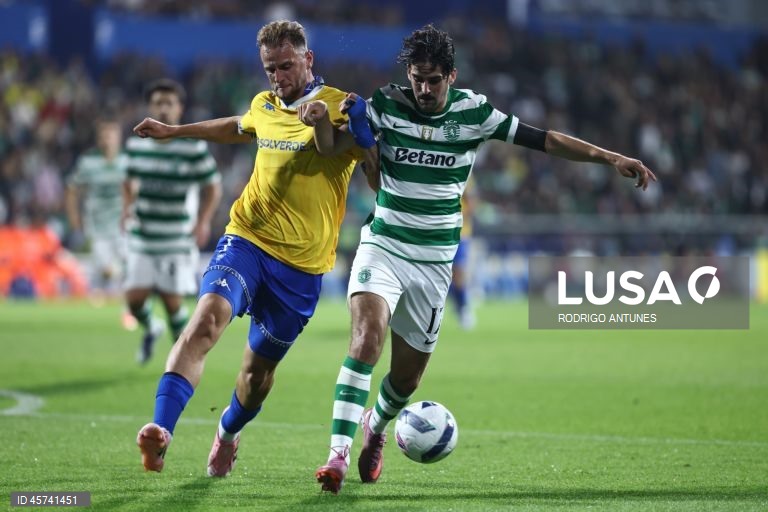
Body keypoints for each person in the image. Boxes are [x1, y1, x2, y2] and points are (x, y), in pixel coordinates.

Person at [313, 24, 657, 494]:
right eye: (417, 78)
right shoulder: (383, 105)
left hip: (435, 264)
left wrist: (609, 157)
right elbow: (358, 161)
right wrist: (330, 123)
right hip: (385, 245)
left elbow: (545, 140)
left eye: (434, 79)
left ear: (451, 76)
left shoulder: (475, 112)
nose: (425, 88)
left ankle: (376, 426)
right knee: (366, 340)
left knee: (406, 379)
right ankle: (337, 453)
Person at [133, 20, 370, 478]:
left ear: (308, 59)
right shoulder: (264, 104)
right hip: (247, 237)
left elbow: (353, 150)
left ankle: (226, 430)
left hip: (301, 267)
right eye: (269, 69)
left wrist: (332, 123)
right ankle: (161, 431)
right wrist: (174, 131)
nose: (278, 77)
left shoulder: (340, 105)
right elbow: (237, 127)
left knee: (255, 378)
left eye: (285, 66)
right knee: (204, 321)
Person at [123, 79, 222, 364]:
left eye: (169, 103)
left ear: (179, 109)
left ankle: (184, 359)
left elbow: (213, 187)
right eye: (158, 103)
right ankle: (152, 327)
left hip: (176, 237)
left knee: (171, 301)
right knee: (135, 300)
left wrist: (203, 221)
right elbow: (127, 180)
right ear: (149, 108)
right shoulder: (135, 146)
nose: (163, 109)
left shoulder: (192, 148)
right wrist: (126, 208)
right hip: (143, 234)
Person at [65, 116, 135, 325]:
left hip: (122, 224)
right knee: (107, 269)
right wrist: (74, 217)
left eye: (111, 134)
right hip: (96, 225)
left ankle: (129, 310)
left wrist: (132, 211)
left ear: (118, 137)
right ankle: (98, 292)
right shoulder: (88, 162)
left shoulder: (127, 160)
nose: (107, 139)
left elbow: (134, 188)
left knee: (129, 265)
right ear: (99, 138)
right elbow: (71, 189)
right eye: (104, 135)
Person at [450, 186, 476, 330]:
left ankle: (463, 307)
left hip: (460, 234)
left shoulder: (466, 173)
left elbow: (471, 203)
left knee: (459, 272)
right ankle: (457, 304)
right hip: (440, 232)